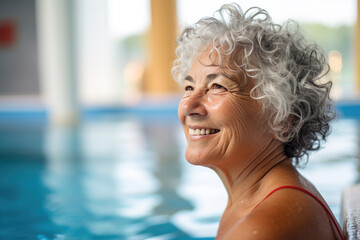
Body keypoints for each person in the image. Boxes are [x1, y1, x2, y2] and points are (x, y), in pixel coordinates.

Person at [172, 3, 344, 240]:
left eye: (217, 86)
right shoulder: (252, 200)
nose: (187, 106)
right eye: (189, 86)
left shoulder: (263, 227)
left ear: (282, 119)